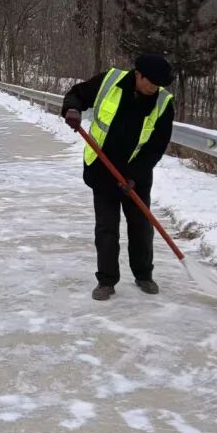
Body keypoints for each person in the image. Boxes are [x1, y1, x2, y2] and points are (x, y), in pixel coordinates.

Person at [62, 54, 175, 301]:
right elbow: (78, 94)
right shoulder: (110, 81)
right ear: (138, 75)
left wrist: (134, 176)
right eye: (152, 83)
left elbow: (156, 146)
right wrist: (72, 109)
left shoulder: (163, 102)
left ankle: (144, 275)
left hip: (136, 175)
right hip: (102, 169)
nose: (155, 88)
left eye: (159, 85)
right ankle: (106, 281)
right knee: (106, 228)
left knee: (141, 227)